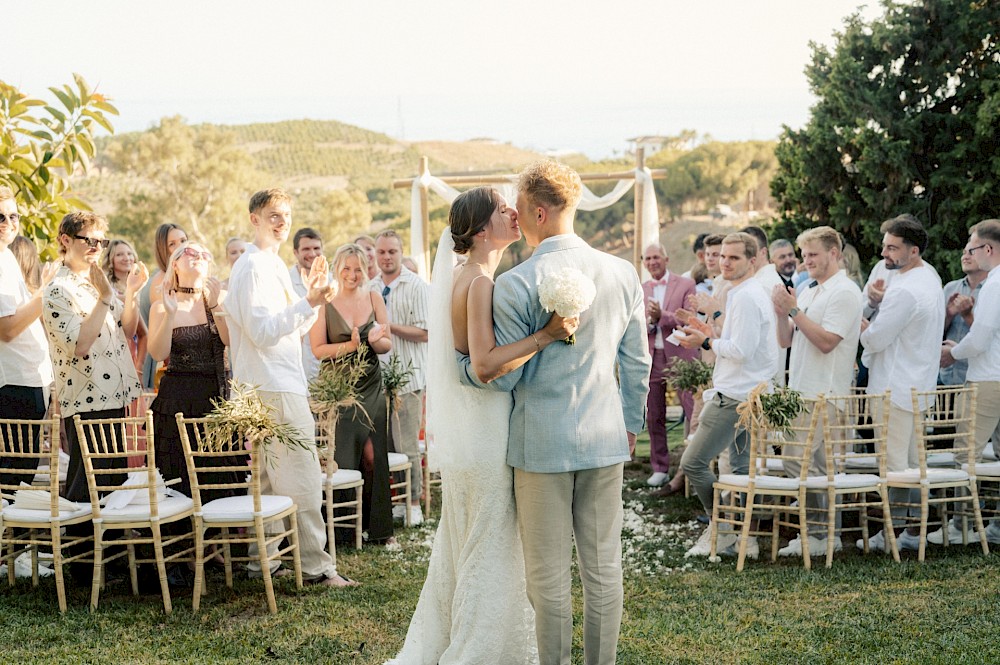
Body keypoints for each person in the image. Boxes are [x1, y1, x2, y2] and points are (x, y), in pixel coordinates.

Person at [462, 162, 649, 665]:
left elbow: (507, 376)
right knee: (604, 569)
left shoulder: (517, 283)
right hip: (605, 438)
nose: (518, 223)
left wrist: (464, 369)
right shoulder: (621, 271)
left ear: (539, 212)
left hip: (539, 446)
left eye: (521, 213)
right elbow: (637, 361)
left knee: (547, 578)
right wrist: (630, 424)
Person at [387, 184, 579, 665]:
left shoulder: (462, 274)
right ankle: (479, 650)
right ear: (478, 229)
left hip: (472, 429)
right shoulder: (479, 282)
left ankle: (456, 639)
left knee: (465, 539)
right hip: (486, 429)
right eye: (501, 210)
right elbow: (486, 364)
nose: (514, 213)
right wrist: (548, 334)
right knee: (491, 541)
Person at [224, 188, 353, 587]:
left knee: (265, 478)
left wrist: (312, 301)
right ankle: (316, 567)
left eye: (286, 216)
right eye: (273, 215)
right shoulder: (253, 267)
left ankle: (261, 560)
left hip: (274, 381)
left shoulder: (274, 266)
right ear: (254, 219)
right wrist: (307, 302)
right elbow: (262, 333)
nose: (282, 222)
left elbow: (291, 331)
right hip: (273, 385)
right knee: (302, 477)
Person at [677, 232, 780, 560]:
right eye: (722, 256)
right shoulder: (742, 293)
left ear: (753, 261)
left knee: (692, 462)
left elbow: (742, 350)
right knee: (738, 470)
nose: (724, 262)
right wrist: (709, 333)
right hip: (747, 393)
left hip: (735, 396)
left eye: (733, 258)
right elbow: (736, 342)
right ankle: (744, 538)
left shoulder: (748, 296)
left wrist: (705, 344)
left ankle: (720, 527)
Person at [41, 212, 146, 503]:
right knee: (87, 482)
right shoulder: (58, 290)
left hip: (115, 394)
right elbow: (80, 344)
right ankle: (78, 547)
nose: (96, 247)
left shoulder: (96, 282)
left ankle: (109, 548)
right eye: (89, 240)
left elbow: (128, 328)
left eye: (101, 241)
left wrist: (131, 293)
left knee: (112, 483)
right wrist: (103, 297)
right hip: (87, 398)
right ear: (65, 239)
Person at [771, 226, 863, 557]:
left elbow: (826, 342)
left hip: (824, 391)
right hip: (801, 390)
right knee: (815, 467)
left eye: (813, 254)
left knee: (799, 463)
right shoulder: (809, 290)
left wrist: (794, 310)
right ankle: (825, 534)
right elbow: (786, 340)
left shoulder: (846, 292)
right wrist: (784, 313)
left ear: (834, 254)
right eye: (804, 255)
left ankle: (818, 532)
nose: (806, 261)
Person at [858, 214, 944, 552]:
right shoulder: (930, 278)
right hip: (919, 383)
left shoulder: (906, 289)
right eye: (884, 247)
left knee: (894, 466)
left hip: (893, 387)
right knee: (910, 464)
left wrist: (864, 325)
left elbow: (876, 340)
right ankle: (912, 532)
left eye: (892, 248)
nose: (884, 255)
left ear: (913, 250)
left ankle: (891, 535)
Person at [309, 243, 395, 545]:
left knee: (373, 457)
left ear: (365, 270)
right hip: (339, 390)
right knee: (343, 456)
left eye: (358, 269)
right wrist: (350, 346)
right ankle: (344, 532)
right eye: (346, 268)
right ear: (336, 269)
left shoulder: (373, 297)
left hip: (370, 384)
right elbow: (318, 349)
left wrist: (374, 340)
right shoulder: (325, 302)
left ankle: (379, 528)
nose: (352, 274)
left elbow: (387, 345)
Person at [147, 241, 230, 496]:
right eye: (190, 252)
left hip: (215, 400)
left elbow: (230, 342)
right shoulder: (161, 304)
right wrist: (170, 315)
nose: (198, 257)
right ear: (175, 264)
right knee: (178, 479)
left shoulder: (218, 299)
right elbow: (158, 353)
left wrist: (216, 305)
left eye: (205, 254)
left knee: (217, 479)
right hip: (177, 401)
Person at [937, 219, 1000, 545]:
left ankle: (963, 528)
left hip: (988, 379)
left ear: (987, 249)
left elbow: (980, 338)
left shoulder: (993, 284)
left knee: (965, 454)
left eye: (972, 248)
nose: (969, 253)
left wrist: (953, 354)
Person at [0, 188, 56, 489]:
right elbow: (7, 329)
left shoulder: (6, 256)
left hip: (31, 379)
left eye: (13, 215)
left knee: (23, 473)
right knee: (14, 475)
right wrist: (45, 293)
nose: (8, 223)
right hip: (15, 384)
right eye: (0, 217)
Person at [375, 229, 429, 525]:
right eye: (381, 252)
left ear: (400, 252)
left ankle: (414, 502)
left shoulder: (416, 286)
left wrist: (389, 326)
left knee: (407, 445)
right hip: (379, 380)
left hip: (409, 379)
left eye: (392, 252)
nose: (386, 257)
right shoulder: (371, 286)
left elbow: (426, 333)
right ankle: (397, 499)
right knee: (388, 447)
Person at [641, 242, 696, 489]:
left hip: (681, 355)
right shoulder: (641, 289)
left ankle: (693, 466)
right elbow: (637, 324)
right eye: (648, 258)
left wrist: (661, 316)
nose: (652, 262)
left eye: (656, 257)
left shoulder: (685, 284)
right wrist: (650, 323)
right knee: (655, 415)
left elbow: (689, 318)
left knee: (692, 409)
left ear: (666, 258)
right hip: (652, 357)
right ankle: (660, 468)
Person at [138, 223, 188, 389]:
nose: (180, 247)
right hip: (164, 360)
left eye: (183, 240)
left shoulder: (186, 277)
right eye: (172, 244)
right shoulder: (161, 281)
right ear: (163, 250)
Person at [102, 239, 148, 375]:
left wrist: (139, 368)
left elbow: (143, 333)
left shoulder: (140, 287)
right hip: (108, 353)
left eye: (129, 253)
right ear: (111, 259)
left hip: (131, 354)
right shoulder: (105, 287)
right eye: (120, 254)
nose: (126, 258)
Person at [289, 227, 327, 382]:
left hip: (326, 371)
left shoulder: (332, 282)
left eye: (316, 248)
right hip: (295, 368)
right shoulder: (285, 281)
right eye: (306, 249)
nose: (312, 254)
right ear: (295, 252)